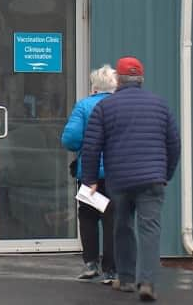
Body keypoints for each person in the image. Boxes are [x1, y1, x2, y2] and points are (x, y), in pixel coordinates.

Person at [81, 56, 180, 302]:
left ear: (118, 80)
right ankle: (147, 282)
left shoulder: (105, 107)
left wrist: (91, 178)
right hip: (152, 180)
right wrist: (166, 173)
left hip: (120, 180)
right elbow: (174, 143)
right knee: (150, 229)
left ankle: (125, 279)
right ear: (141, 79)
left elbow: (92, 146)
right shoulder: (160, 105)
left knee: (122, 226)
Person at [61, 65, 116, 284]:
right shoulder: (119, 105)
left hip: (89, 173)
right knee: (112, 219)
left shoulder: (84, 106)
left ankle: (90, 263)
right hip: (116, 173)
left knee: (88, 216)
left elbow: (70, 139)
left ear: (94, 87)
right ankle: (111, 270)